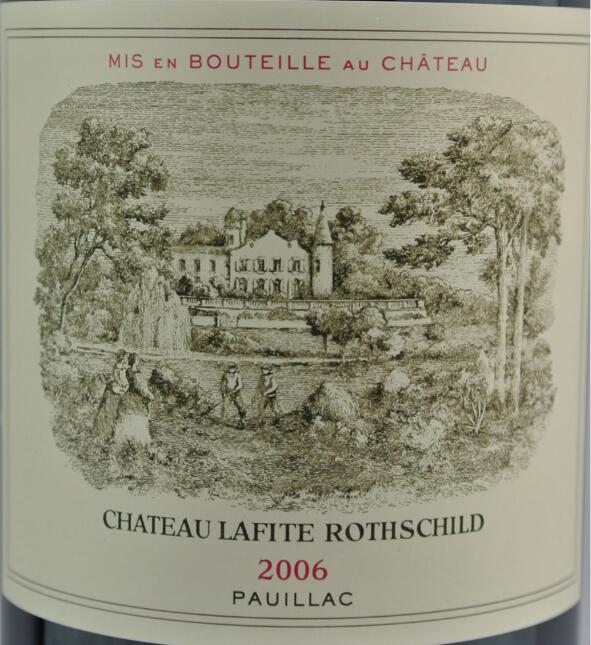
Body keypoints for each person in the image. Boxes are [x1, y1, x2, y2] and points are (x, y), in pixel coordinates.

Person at [113, 353, 154, 445]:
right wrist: (150, 396)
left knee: (127, 418)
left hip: (128, 395)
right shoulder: (137, 374)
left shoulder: (128, 371)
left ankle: (125, 440)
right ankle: (137, 441)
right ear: (136, 361)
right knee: (136, 418)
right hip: (136, 398)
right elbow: (141, 389)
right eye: (137, 360)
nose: (138, 361)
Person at [220, 363, 246, 429]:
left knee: (241, 407)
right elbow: (222, 385)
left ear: (235, 369)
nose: (232, 369)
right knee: (225, 407)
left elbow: (240, 385)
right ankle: (223, 422)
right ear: (229, 368)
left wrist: (235, 390)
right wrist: (223, 393)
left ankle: (242, 421)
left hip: (236, 393)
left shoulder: (237, 375)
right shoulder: (225, 375)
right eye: (230, 368)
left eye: (233, 368)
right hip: (228, 393)